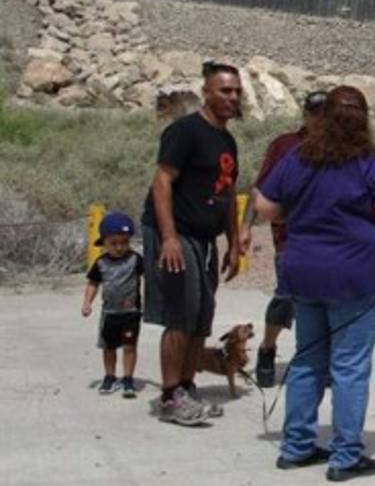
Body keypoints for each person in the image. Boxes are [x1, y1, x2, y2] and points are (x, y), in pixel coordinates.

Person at [254, 86, 375, 482]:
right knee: (350, 366)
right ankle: (345, 455)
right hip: (354, 274)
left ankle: (297, 446)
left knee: (307, 358)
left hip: (303, 271)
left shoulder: (299, 155)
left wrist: (299, 212)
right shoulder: (367, 159)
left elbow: (266, 206)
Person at [141, 60, 246, 427]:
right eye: (224, 90)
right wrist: (168, 238)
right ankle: (171, 396)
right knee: (182, 312)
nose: (233, 97)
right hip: (176, 232)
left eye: (236, 91)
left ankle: (187, 385)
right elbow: (162, 183)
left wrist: (234, 243)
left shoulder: (227, 140)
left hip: (205, 236)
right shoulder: (184, 132)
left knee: (202, 313)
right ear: (206, 92)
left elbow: (229, 194)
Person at [244, 90, 328, 388]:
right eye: (315, 114)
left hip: (328, 240)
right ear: (305, 115)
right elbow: (261, 189)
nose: (320, 121)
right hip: (290, 237)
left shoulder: (339, 148)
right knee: (286, 297)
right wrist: (246, 227)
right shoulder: (285, 146)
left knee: (324, 299)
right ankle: (267, 348)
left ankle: (318, 359)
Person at [82, 211, 144, 399]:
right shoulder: (100, 263)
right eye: (114, 243)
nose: (119, 247)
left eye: (124, 242)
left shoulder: (135, 260)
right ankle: (109, 376)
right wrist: (87, 303)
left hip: (131, 313)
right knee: (108, 348)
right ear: (104, 242)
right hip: (109, 314)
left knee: (129, 347)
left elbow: (150, 277)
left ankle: (127, 379)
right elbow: (93, 284)